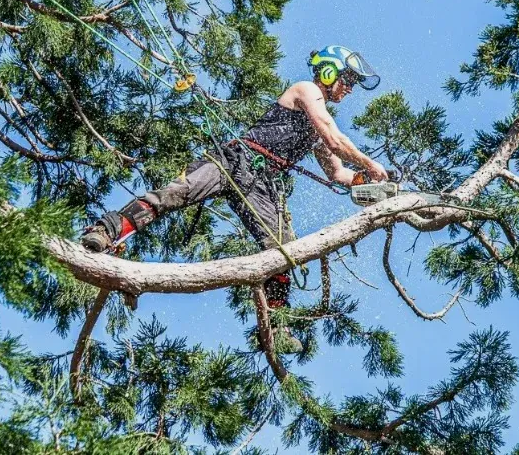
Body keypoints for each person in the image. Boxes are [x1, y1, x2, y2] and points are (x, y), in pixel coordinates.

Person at [81, 45, 389, 353]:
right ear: (328, 71)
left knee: (284, 250)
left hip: (263, 185)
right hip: (236, 160)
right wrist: (370, 163)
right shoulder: (307, 90)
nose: (349, 89)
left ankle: (276, 324)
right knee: (175, 193)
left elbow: (338, 174)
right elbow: (335, 138)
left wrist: (367, 183)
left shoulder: (318, 126)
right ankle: (105, 232)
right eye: (347, 80)